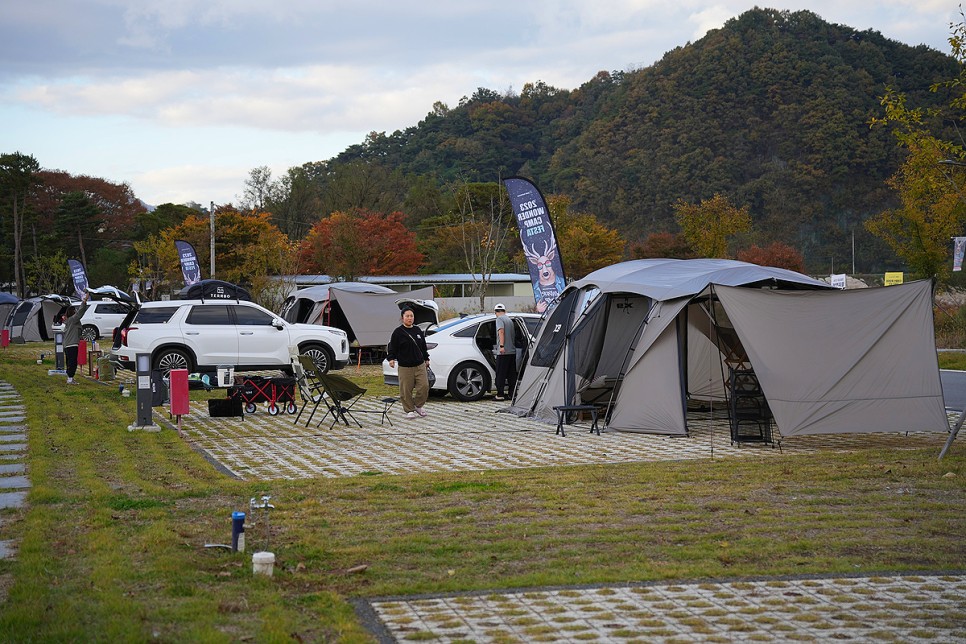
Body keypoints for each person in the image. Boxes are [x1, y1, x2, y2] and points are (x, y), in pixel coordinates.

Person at [387, 307, 431, 419]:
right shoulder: (398, 332)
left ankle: (418, 405)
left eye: (411, 316)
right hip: (405, 366)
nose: (410, 318)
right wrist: (391, 359)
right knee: (406, 389)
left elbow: (423, 347)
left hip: (419, 365)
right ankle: (409, 410)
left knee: (424, 386)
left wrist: (426, 359)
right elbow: (392, 347)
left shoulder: (417, 330)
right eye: (407, 316)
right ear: (402, 318)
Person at [63, 292, 90, 385]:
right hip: (71, 344)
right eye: (74, 310)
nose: (76, 311)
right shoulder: (73, 320)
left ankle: (69, 377)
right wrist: (84, 300)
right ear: (72, 312)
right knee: (73, 362)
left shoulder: (68, 321)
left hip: (67, 345)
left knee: (69, 362)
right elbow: (80, 312)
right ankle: (70, 379)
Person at [493, 303, 517, 401]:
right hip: (512, 351)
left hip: (503, 352)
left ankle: (500, 394)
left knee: (501, 373)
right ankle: (512, 394)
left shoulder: (499, 319)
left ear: (495, 312)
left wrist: (501, 346)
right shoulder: (509, 320)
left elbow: (501, 332)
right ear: (504, 311)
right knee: (511, 374)